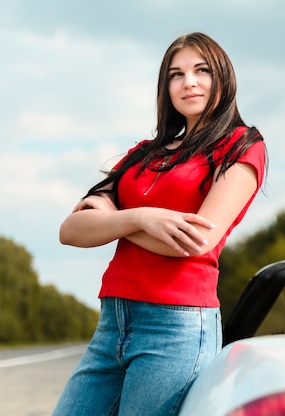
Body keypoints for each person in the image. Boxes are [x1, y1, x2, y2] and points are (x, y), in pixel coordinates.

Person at [53, 32, 267, 416]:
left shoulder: (241, 145)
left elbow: (194, 240)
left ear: (223, 78)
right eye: (176, 74)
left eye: (201, 71)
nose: (189, 82)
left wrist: (114, 223)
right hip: (112, 324)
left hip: (177, 328)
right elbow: (71, 231)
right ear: (165, 86)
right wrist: (141, 217)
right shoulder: (141, 155)